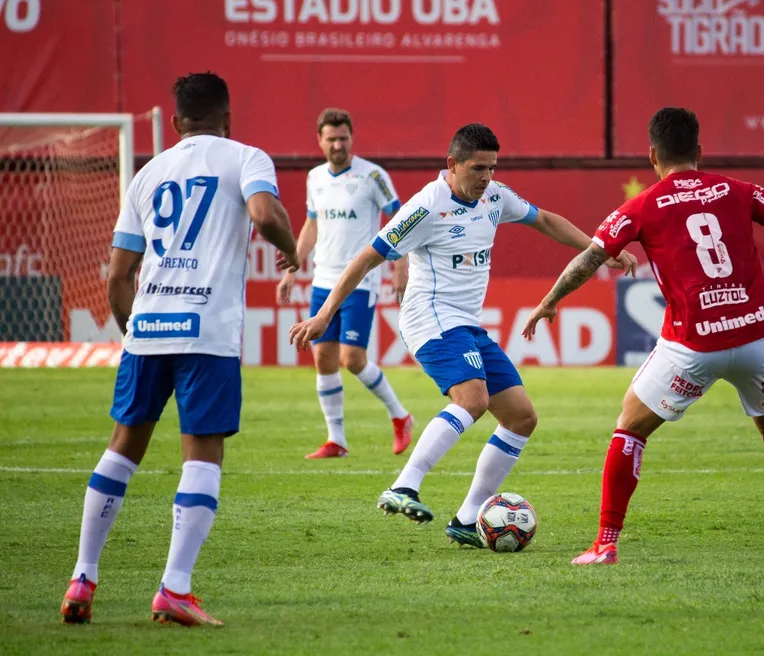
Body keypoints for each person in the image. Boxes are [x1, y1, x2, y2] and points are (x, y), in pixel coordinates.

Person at [522, 107, 764, 565]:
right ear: (699, 152)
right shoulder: (737, 190)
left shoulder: (642, 205)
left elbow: (589, 258)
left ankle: (605, 543)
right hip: (754, 338)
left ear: (652, 156)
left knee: (630, 429)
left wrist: (550, 299)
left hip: (694, 346)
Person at [289, 123, 637, 547]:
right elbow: (367, 257)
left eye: (492, 168)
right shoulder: (425, 206)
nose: (486, 177)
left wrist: (600, 250)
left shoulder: (494, 196)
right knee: (473, 400)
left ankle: (468, 517)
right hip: (428, 317)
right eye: (477, 168)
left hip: (466, 324)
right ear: (452, 164)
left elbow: (544, 218)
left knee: (521, 417)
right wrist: (325, 314)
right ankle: (403, 486)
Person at [60, 72, 299, 625]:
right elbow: (265, 216)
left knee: (122, 448)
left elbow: (119, 276)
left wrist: (133, 334)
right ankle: (175, 588)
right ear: (228, 116)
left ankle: (82, 578)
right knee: (203, 455)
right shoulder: (247, 157)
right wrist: (290, 249)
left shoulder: (148, 174)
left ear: (175, 122)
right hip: (206, 333)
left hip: (148, 328)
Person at [278, 108, 413, 459]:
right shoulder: (315, 178)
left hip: (361, 281)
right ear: (320, 141)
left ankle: (400, 416)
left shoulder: (373, 176)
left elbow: (399, 219)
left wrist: (400, 265)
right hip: (323, 279)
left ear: (352, 138)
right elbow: (312, 225)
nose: (338, 145)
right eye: (331, 139)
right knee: (323, 358)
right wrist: (293, 265)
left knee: (352, 359)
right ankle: (336, 440)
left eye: (343, 138)